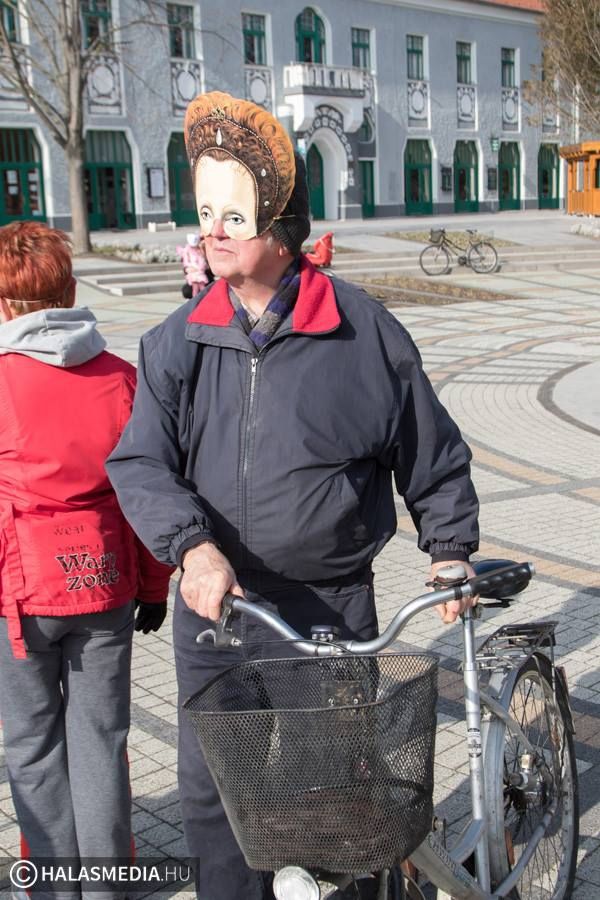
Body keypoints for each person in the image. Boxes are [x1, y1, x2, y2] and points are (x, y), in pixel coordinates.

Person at [106, 91, 479, 900]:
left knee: (330, 800)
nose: (212, 231)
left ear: (280, 230)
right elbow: (139, 462)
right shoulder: (176, 342)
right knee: (215, 802)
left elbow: (430, 452)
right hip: (218, 615)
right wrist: (191, 547)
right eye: (206, 212)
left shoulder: (362, 332)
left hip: (326, 612)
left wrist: (450, 549)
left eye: (233, 217)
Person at [0, 221, 173, 884]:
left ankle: (53, 887)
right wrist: (153, 586)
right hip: (105, 584)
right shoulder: (122, 379)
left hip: (19, 597)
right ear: (70, 292)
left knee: (33, 746)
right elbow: (147, 491)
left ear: (5, 304)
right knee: (102, 741)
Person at [176, 231, 212, 300]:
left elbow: (206, 265)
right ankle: (196, 300)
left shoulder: (204, 251)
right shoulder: (188, 251)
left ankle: (205, 299)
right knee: (192, 288)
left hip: (205, 276)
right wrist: (188, 269)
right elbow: (186, 266)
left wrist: (202, 267)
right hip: (195, 274)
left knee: (202, 287)